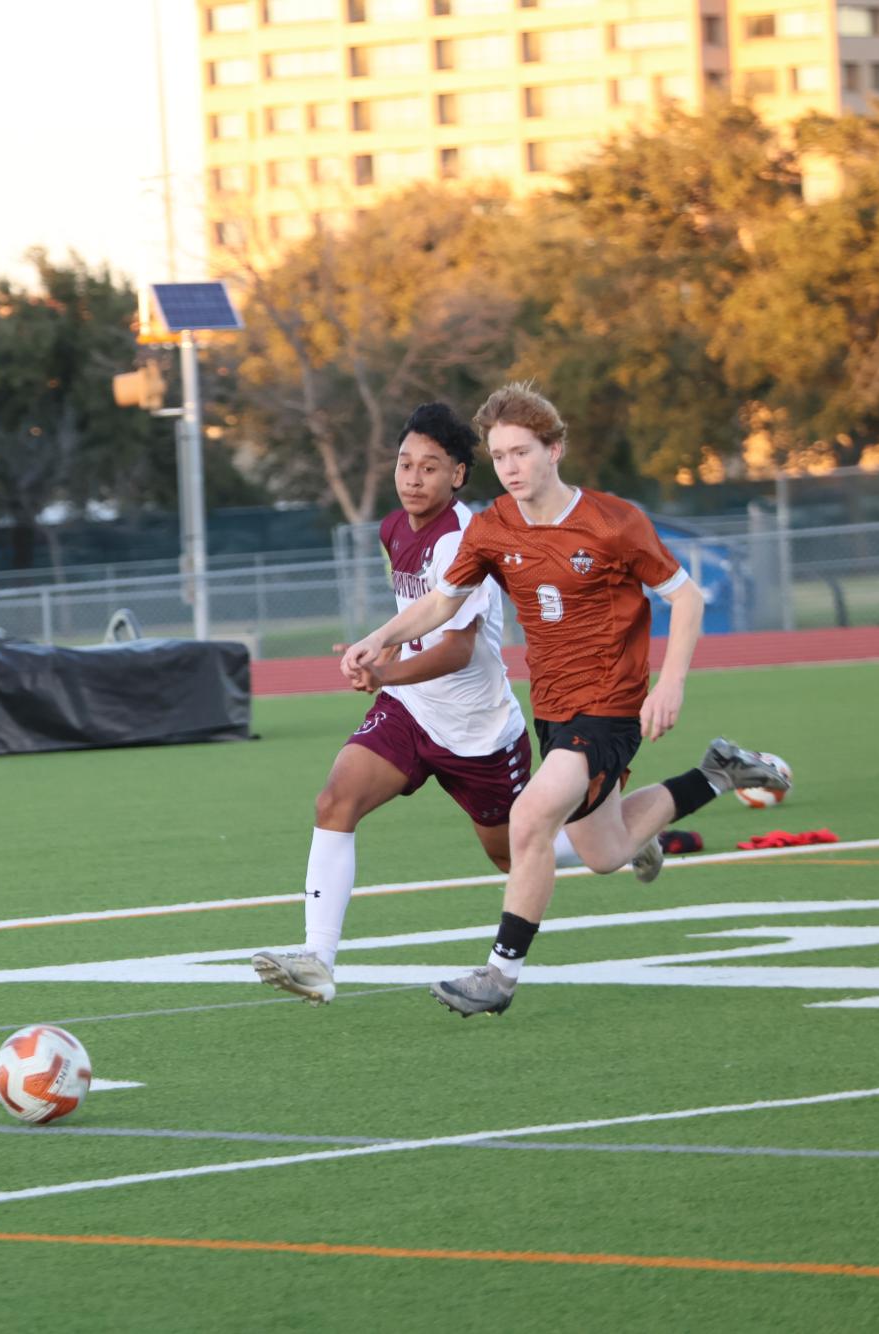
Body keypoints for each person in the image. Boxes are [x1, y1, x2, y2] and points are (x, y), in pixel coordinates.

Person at [340, 383, 789, 1017]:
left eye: (521, 452)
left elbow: (685, 598)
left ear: (555, 450)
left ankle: (497, 977)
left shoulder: (613, 521)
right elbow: (442, 602)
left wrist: (672, 681)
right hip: (551, 707)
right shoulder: (494, 526)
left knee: (529, 819)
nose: (511, 468)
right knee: (605, 854)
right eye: (499, 456)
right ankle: (715, 773)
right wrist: (378, 639)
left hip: (610, 704)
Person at [251, 402, 661, 1009]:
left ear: (459, 476)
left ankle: (620, 834)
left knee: (513, 852)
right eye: (404, 464)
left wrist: (384, 663)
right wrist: (381, 651)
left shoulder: (469, 536)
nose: (412, 478)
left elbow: (458, 650)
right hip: (410, 711)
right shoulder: (394, 528)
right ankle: (318, 959)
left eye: (430, 468)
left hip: (479, 734)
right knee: (335, 799)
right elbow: (414, 617)